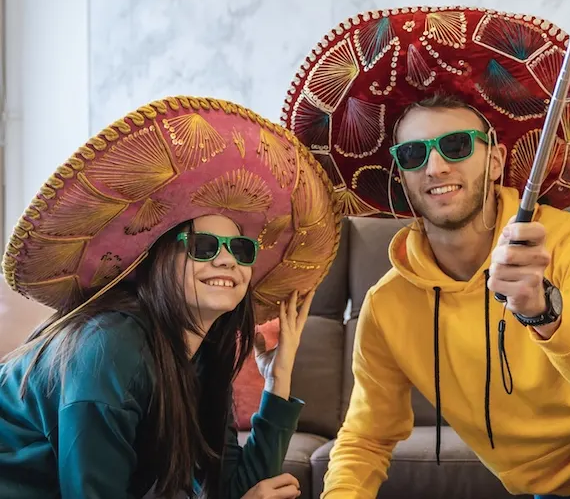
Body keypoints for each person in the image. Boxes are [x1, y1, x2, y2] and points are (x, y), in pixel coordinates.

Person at [281, 7, 570, 499]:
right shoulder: (389, 306)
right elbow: (366, 437)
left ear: (496, 159)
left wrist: (545, 309)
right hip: (564, 492)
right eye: (413, 155)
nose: (435, 165)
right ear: (401, 176)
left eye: (456, 145)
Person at [0, 96, 341, 499]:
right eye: (205, 245)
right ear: (158, 260)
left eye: (242, 250)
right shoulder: (108, 349)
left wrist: (277, 379)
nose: (228, 261)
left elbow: (235, 488)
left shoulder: (203, 355)